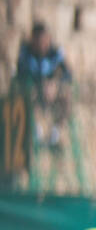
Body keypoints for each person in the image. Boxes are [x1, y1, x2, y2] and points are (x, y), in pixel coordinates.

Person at [16, 21, 72, 149]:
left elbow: (68, 74)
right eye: (39, 40)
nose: (42, 44)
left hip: (51, 91)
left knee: (66, 95)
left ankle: (55, 133)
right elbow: (19, 74)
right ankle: (36, 130)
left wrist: (55, 84)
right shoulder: (26, 54)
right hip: (33, 91)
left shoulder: (55, 53)